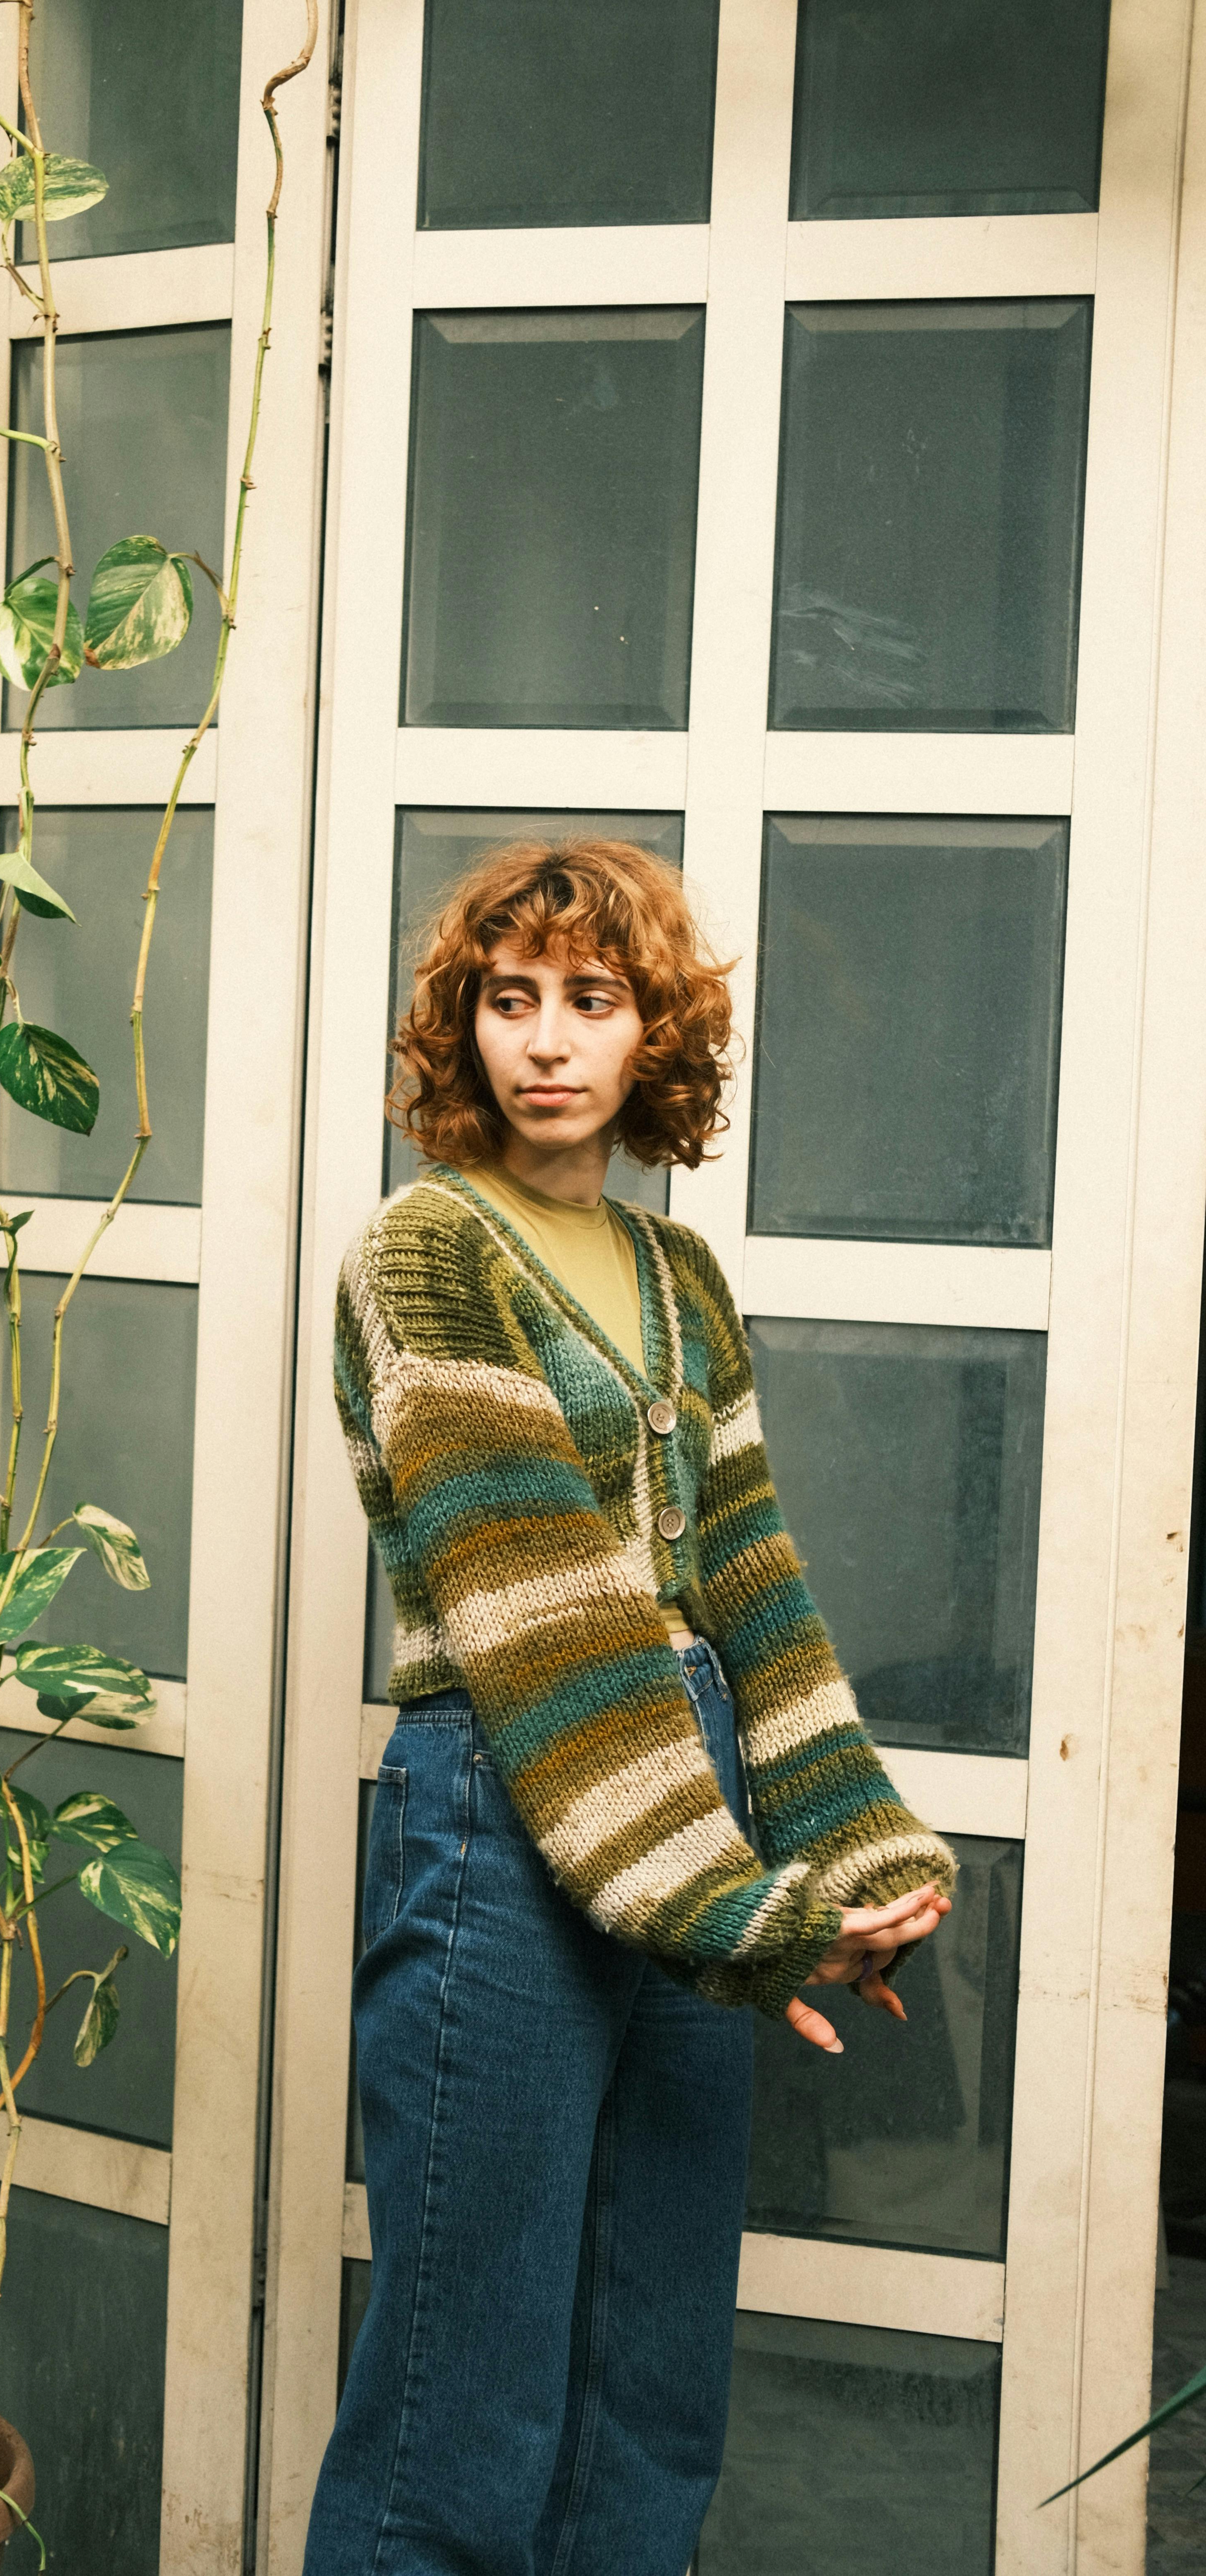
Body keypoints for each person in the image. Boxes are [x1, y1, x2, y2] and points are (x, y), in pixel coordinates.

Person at [306, 841, 955, 2576]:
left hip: (681, 1812)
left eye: (588, 1002)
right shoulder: (423, 1255)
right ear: (463, 1028)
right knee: (464, 2403)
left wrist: (851, 1841)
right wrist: (737, 1913)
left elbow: (743, 1578)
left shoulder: (682, 1284)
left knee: (645, 2384)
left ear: (650, 1031)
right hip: (503, 1810)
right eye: (507, 1000)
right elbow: (542, 1619)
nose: (543, 1041)